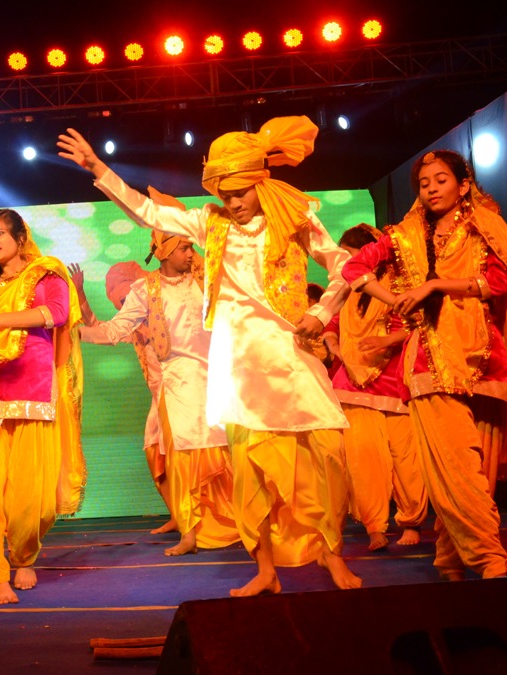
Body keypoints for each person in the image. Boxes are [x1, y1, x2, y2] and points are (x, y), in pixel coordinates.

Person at [59, 116, 362, 595]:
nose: (232, 203)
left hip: (290, 356)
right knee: (249, 472)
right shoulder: (211, 223)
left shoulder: (294, 218)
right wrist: (99, 168)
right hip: (238, 367)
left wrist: (322, 312)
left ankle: (332, 554)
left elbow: (344, 265)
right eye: (224, 194)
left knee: (325, 458)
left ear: (260, 182)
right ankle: (265, 570)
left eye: (239, 193)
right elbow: (149, 214)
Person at [339, 150, 507, 579]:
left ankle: (450, 558)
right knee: (453, 467)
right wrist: (396, 299)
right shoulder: (404, 235)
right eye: (424, 183)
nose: (431, 188)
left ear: (463, 185)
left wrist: (435, 286)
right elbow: (354, 267)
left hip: (485, 359)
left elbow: (500, 280)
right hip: (429, 361)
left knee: (475, 472)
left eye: (441, 179)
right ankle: (488, 558)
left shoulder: (484, 226)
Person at [0, 208, 85, 605]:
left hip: (31, 395)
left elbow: (58, 313)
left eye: (0, 233)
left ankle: (24, 555)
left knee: (31, 498)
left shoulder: (46, 273)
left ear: (20, 238)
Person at [75, 228, 239, 557]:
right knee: (181, 456)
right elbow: (115, 329)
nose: (191, 254)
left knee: (221, 452)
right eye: (183, 248)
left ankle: (235, 520)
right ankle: (189, 531)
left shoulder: (205, 280)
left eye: (191, 247)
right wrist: (74, 332)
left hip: (215, 378)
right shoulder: (145, 290)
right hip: (175, 381)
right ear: (163, 252)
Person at [321, 224, 427, 551]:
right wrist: (334, 346)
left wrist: (386, 340)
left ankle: (411, 521)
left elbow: (418, 325)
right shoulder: (349, 290)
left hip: (393, 380)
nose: (346, 265)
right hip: (351, 382)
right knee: (363, 458)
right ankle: (374, 527)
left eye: (351, 256)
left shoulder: (399, 283)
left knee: (406, 459)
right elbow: (331, 323)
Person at [69, 260, 177, 534]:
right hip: (160, 398)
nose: (128, 306)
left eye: (130, 298)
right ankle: (178, 513)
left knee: (188, 455)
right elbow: (100, 328)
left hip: (183, 392)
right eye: (122, 304)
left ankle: (202, 515)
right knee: (154, 452)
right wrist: (79, 294)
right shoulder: (133, 329)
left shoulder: (169, 313)